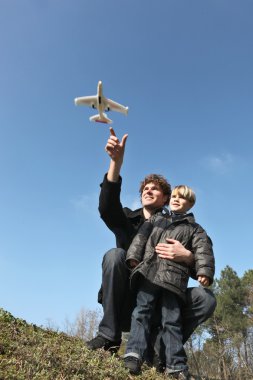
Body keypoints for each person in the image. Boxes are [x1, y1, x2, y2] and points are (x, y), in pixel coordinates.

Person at [86, 127, 216, 362]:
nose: (148, 190)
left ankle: (160, 351)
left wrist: (187, 256)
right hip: (128, 301)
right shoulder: (129, 220)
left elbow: (203, 262)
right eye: (145, 188)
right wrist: (116, 163)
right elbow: (107, 208)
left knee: (205, 298)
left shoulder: (184, 227)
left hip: (165, 300)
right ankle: (109, 336)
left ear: (166, 197)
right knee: (115, 255)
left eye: (154, 188)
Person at [123, 185, 215, 378]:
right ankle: (134, 354)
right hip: (149, 273)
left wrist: (204, 271)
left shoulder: (195, 229)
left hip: (173, 281)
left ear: (190, 204)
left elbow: (203, 251)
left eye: (182, 198)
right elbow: (141, 238)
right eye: (173, 196)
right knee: (142, 312)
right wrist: (133, 256)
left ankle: (176, 365)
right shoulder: (157, 219)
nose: (176, 199)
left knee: (172, 321)